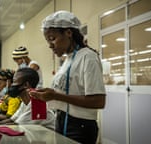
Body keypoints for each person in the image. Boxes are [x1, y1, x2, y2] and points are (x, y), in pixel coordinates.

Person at [29, 10, 106, 144]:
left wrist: (55, 96)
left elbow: (98, 101)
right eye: (47, 40)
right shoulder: (68, 60)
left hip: (79, 126)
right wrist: (46, 93)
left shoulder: (88, 57)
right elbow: (66, 90)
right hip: (62, 120)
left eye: (52, 38)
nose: (50, 45)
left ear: (69, 33)